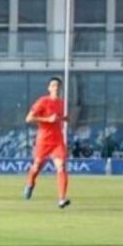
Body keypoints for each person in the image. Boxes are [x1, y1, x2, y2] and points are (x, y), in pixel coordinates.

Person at [23, 77, 70, 209]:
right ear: (49, 88)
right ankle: (30, 184)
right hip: (43, 140)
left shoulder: (62, 103)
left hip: (57, 140)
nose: (56, 88)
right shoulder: (43, 101)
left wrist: (64, 119)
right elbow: (29, 118)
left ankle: (62, 199)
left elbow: (61, 118)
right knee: (37, 166)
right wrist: (47, 119)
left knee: (61, 167)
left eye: (58, 86)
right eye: (54, 85)